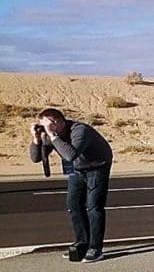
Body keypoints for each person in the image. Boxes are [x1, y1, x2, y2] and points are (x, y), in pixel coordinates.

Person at [28, 108, 113, 262]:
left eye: (47, 124)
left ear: (58, 122)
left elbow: (70, 155)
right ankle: (82, 244)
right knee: (74, 205)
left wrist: (53, 135)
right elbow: (36, 158)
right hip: (78, 169)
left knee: (94, 207)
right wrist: (36, 139)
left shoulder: (80, 131)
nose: (45, 128)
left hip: (97, 166)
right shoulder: (52, 134)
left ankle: (95, 248)